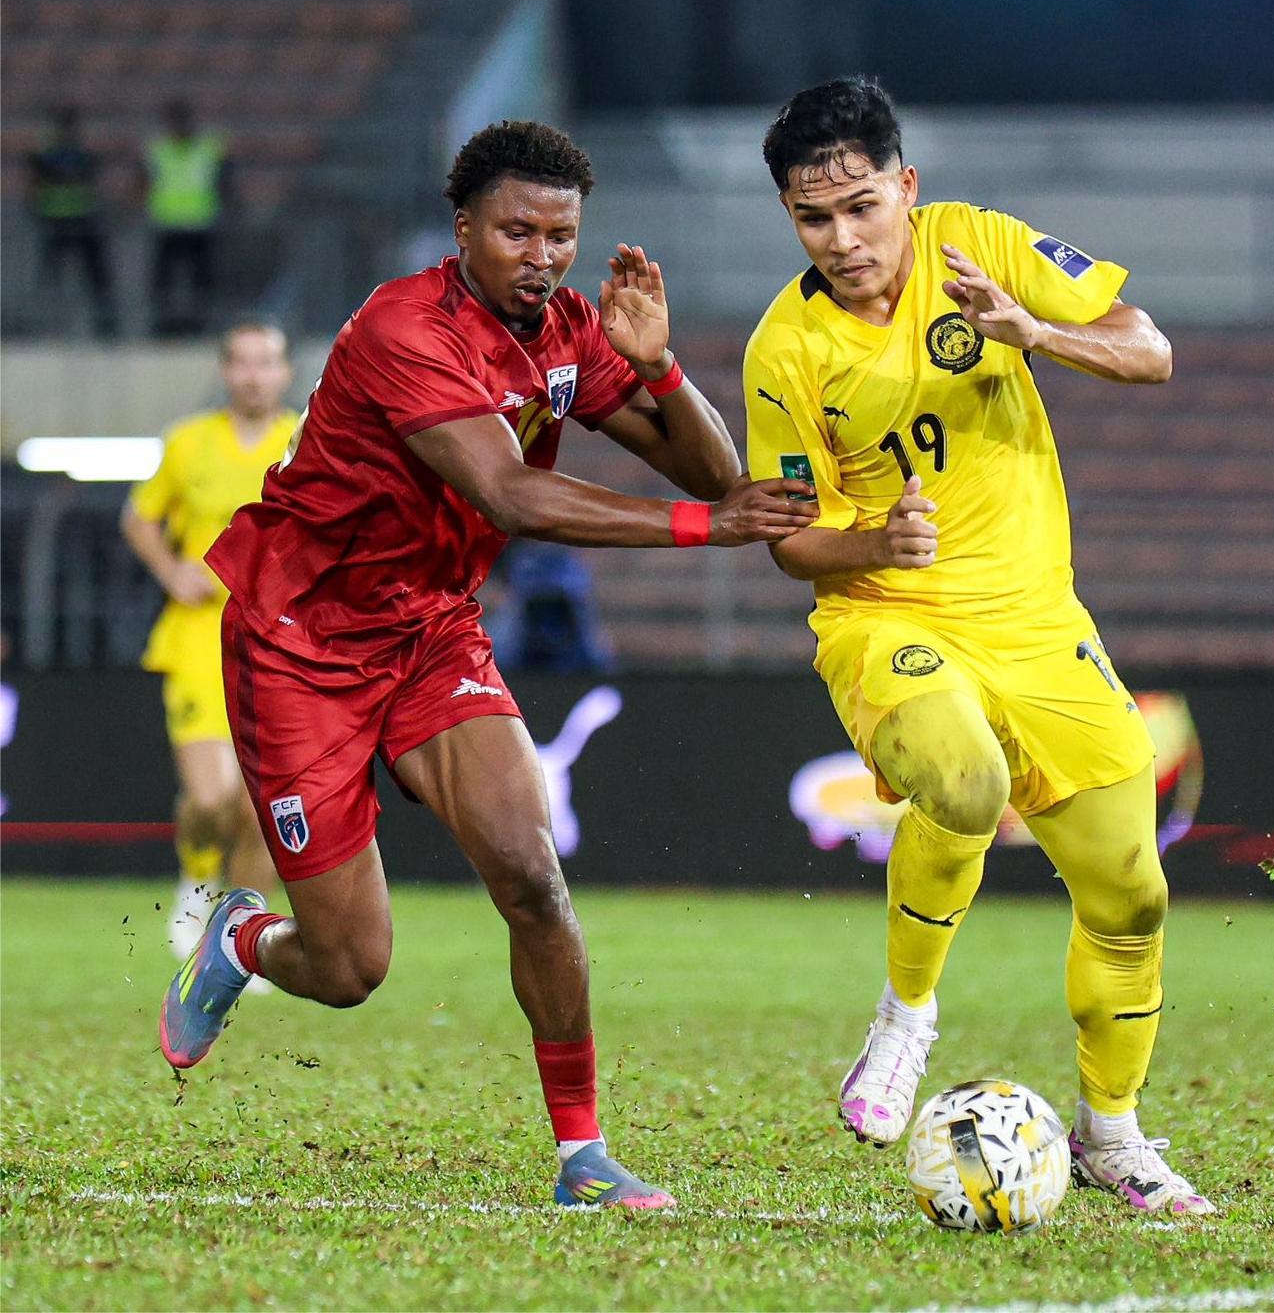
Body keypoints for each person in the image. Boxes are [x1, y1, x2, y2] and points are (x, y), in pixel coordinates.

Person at [158, 120, 816, 1209]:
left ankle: (582, 1154)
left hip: (430, 628)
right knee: (350, 967)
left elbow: (713, 469)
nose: (543, 257)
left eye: (562, 236)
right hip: (300, 640)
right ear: (462, 227)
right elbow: (509, 494)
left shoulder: (567, 329)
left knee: (532, 875)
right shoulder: (402, 327)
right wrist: (710, 529)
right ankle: (244, 940)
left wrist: (660, 366)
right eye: (518, 232)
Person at [743, 77, 1212, 1216]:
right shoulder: (784, 347)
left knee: (1132, 896)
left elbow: (1148, 349)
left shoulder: (982, 246)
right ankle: (906, 1014)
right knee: (964, 779)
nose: (843, 240)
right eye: (814, 218)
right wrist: (875, 541)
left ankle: (1112, 1134)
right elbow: (790, 540)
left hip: (1040, 625)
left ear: (906, 186)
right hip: (888, 616)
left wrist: (1036, 332)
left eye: (861, 206)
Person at [122, 324, 297, 964]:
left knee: (261, 806)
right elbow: (139, 517)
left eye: (266, 362)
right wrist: (170, 571)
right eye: (242, 363)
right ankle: (196, 881)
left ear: (284, 372)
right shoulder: (188, 442)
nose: (254, 375)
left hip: (279, 640)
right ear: (225, 371)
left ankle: (244, 936)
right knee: (209, 797)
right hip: (198, 635)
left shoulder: (306, 439)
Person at [139, 100, 230, 336]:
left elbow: (224, 183)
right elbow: (143, 183)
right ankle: (162, 325)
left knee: (202, 280)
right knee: (163, 281)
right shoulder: (158, 151)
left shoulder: (208, 150)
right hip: (167, 224)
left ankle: (203, 326)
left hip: (200, 224)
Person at [27, 105, 118, 338]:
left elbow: (95, 188)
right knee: (50, 276)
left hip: (82, 220)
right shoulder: (45, 157)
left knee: (96, 275)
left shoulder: (84, 156)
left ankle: (106, 324)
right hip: (55, 221)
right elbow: (34, 188)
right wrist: (36, 210)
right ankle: (42, 325)